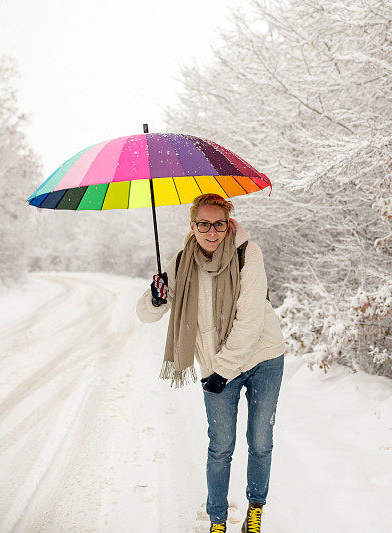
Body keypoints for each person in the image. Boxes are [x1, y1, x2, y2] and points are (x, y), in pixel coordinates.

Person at [136, 193, 286, 533]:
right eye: (203, 223)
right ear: (192, 225)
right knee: (220, 446)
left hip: (263, 358)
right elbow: (146, 315)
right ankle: (217, 520)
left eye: (219, 223)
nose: (212, 231)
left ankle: (255, 510)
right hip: (218, 366)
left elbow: (249, 321)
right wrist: (156, 297)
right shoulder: (181, 262)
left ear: (229, 222)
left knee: (260, 440)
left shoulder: (249, 253)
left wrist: (221, 371)